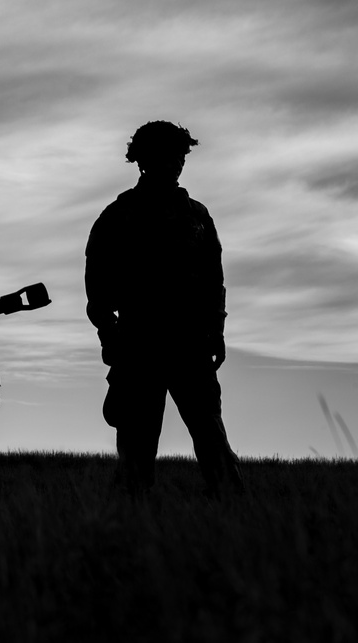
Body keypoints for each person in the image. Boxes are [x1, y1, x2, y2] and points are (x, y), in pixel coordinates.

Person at [85, 121, 244, 497]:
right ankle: (128, 526)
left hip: (190, 343)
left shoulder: (198, 215)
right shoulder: (118, 215)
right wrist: (111, 338)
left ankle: (235, 515)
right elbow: (98, 287)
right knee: (136, 448)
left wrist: (216, 332)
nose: (174, 162)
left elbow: (213, 280)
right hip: (138, 343)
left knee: (211, 435)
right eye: (164, 154)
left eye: (179, 154)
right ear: (141, 159)